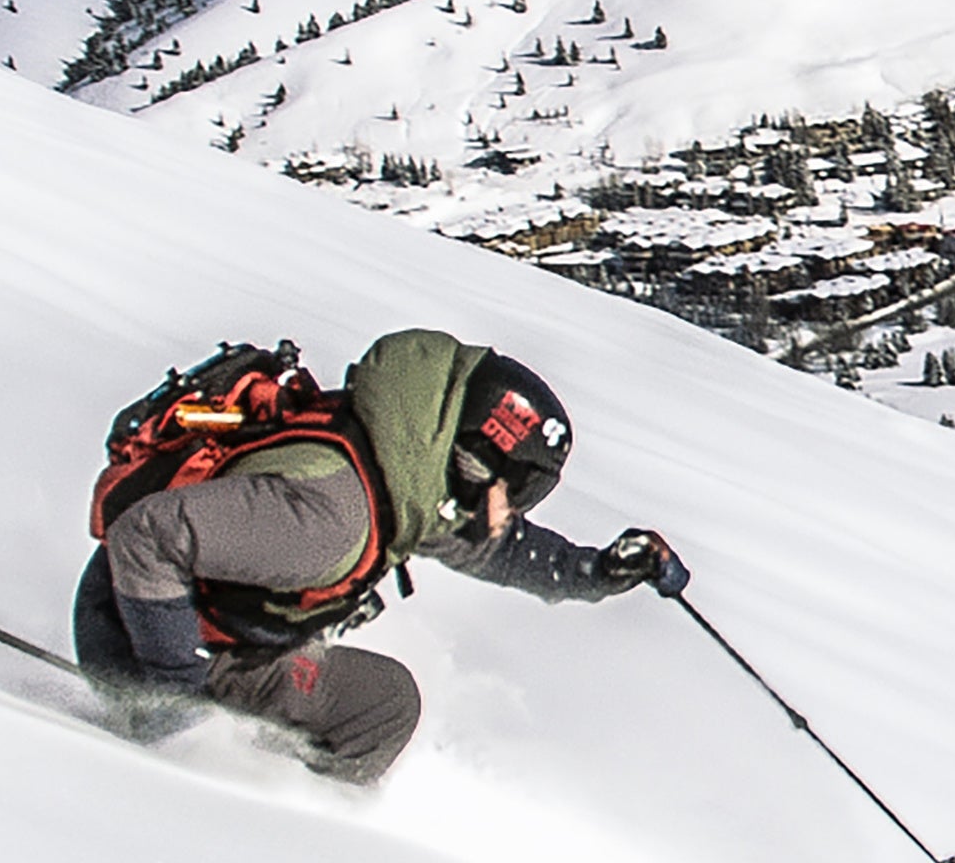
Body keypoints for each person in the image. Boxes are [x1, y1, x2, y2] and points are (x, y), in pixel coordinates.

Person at [68, 328, 684, 783]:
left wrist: (592, 572)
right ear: (474, 460)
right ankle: (280, 830)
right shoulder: (333, 520)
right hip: (136, 639)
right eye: (515, 490)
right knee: (383, 707)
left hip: (185, 626)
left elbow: (492, 549)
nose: (512, 512)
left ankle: (261, 772)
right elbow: (144, 537)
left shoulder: (396, 468)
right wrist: (172, 698)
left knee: (377, 691)